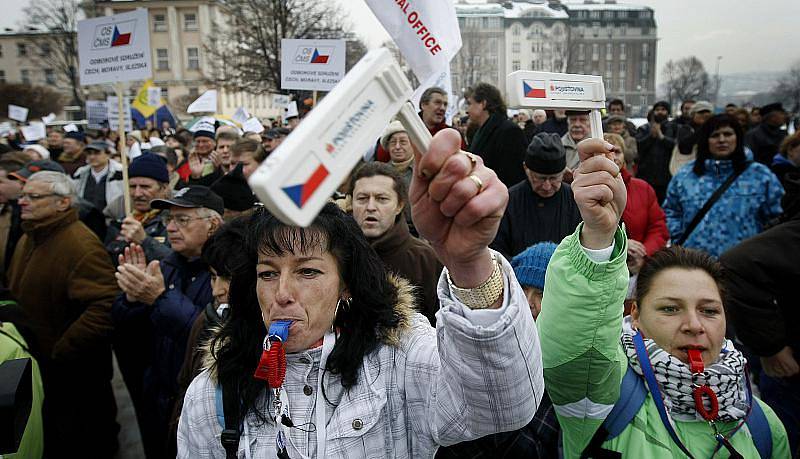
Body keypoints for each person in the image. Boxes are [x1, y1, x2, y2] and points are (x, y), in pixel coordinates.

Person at [177, 128, 544, 458]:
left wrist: (469, 264)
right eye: (268, 274)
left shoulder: (397, 357)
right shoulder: (215, 393)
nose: (282, 294)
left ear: (345, 284)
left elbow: (502, 405)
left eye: (308, 271)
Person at [538, 137, 790, 458]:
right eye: (670, 308)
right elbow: (572, 350)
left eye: (710, 311)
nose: (694, 325)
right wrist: (599, 238)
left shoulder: (765, 427)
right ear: (637, 317)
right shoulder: (604, 398)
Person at [7, 171, 119, 456]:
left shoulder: (81, 245)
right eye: (23, 196)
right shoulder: (31, 236)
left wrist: (62, 350)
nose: (23, 202)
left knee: (84, 440)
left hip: (74, 375)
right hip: (38, 364)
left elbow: (104, 305)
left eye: (34, 197)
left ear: (62, 203)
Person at [113, 185, 223, 459]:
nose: (171, 227)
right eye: (168, 220)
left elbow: (207, 337)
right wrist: (132, 298)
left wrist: (160, 298)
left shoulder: (226, 271)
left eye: (182, 220)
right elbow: (126, 328)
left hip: (197, 398)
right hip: (158, 394)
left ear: (213, 224)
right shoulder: (166, 264)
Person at [436, 242, 560, 459]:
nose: (529, 303)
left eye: (541, 293)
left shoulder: (560, 371)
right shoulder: (473, 345)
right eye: (522, 290)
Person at [721, 184, 800, 456]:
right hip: (790, 372)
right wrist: (771, 346)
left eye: (727, 135)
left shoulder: (760, 177)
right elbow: (738, 264)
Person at [167, 216, 248, 457]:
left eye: (228, 279)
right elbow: (184, 385)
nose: (217, 290)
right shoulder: (206, 320)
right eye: (213, 277)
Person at [663, 114, 784, 258]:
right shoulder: (685, 176)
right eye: (715, 135)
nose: (722, 140)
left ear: (738, 138)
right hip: (696, 264)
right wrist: (680, 238)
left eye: (728, 134)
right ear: (706, 140)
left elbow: (778, 218)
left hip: (745, 264)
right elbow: (670, 212)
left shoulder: (760, 176)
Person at [349, 162, 442, 324]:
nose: (371, 207)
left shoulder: (426, 260)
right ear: (351, 202)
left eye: (382, 199)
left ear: (399, 205)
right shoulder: (336, 253)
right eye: (362, 198)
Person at [491, 133, 582, 259]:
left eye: (554, 178)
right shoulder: (509, 201)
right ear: (526, 169)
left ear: (564, 172)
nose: (547, 186)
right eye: (540, 178)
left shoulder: (576, 200)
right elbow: (497, 249)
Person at [105, 153, 173, 265]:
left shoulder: (175, 222)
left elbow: (179, 265)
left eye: (145, 187)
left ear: (164, 188)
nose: (137, 194)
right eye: (132, 187)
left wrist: (145, 241)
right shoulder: (119, 223)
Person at [465, 82, 527, 187]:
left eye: (469, 104)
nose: (467, 110)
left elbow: (513, 177)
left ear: (483, 104)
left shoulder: (509, 132)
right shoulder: (478, 131)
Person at [635, 101, 678, 203]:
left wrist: (662, 137)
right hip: (646, 175)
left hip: (667, 176)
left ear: (668, 112)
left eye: (663, 110)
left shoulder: (674, 127)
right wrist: (651, 136)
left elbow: (677, 147)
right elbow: (638, 147)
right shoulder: (644, 128)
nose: (660, 112)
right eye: (657, 110)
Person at [71, 141, 124, 214]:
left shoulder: (120, 173)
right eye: (89, 153)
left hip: (111, 217)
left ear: (108, 154)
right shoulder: (80, 173)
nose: (92, 157)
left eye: (97, 153)